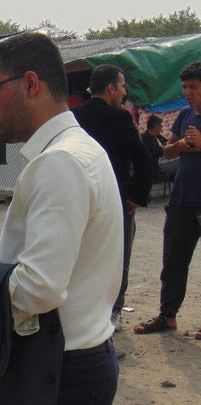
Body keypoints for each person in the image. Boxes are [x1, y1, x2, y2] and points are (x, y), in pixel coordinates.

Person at [0, 32, 122, 403]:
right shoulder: (79, 150)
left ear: (29, 83)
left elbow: (38, 288)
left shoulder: (59, 162)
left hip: (59, 370)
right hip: (76, 359)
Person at [71, 64, 154, 332]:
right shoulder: (121, 118)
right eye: (122, 86)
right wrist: (137, 197)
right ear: (110, 88)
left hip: (79, 197)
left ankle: (81, 311)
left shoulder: (73, 116)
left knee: (82, 256)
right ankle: (112, 314)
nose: (124, 92)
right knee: (118, 259)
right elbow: (143, 160)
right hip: (114, 199)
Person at [134, 62, 201, 339]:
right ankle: (167, 316)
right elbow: (166, 152)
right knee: (173, 262)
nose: (187, 92)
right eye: (185, 87)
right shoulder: (185, 115)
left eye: (193, 87)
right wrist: (182, 146)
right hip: (183, 201)